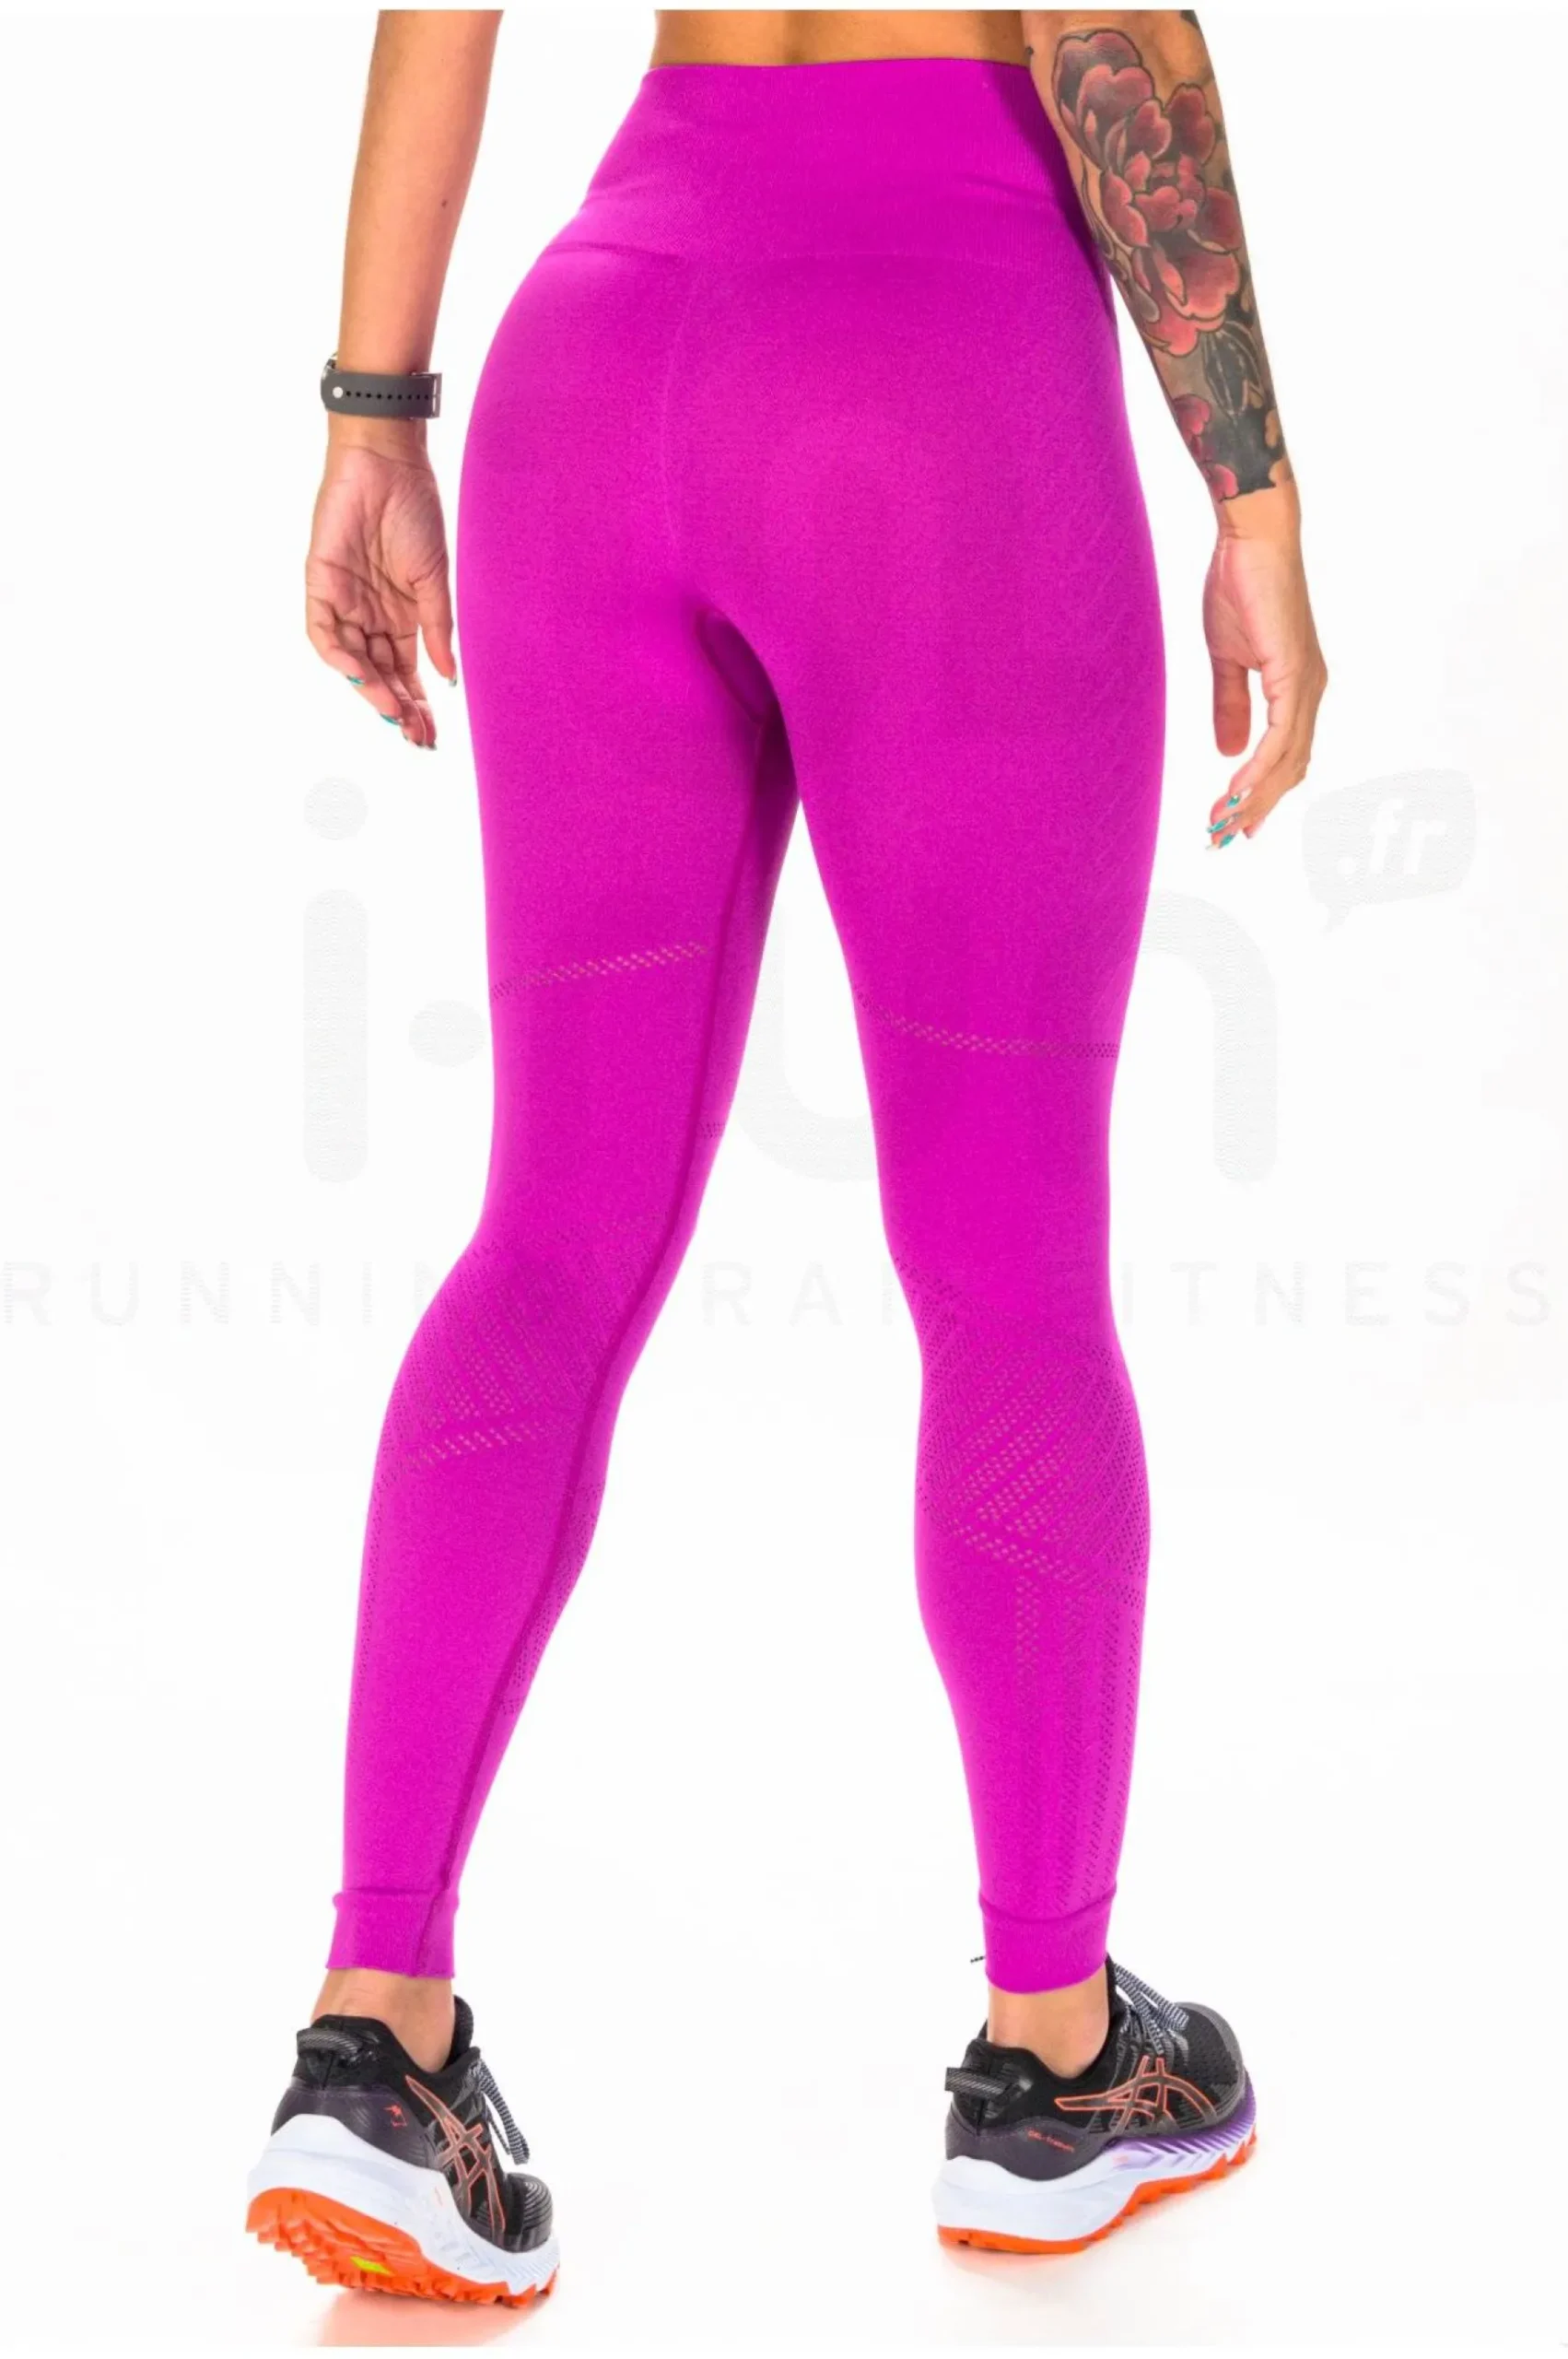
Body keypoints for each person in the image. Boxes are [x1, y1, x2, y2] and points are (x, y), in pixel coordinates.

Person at [247, 6, 1326, 2305]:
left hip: (598, 350)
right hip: (939, 382)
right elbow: (1106, 31)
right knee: (1007, 1263)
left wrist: (369, 411)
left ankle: (374, 2033)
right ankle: (1051, 2060)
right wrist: (1253, 503)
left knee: (546, 1231)